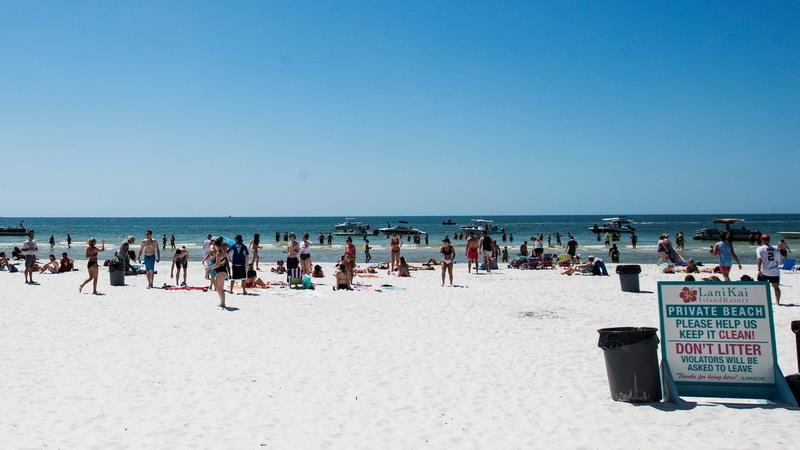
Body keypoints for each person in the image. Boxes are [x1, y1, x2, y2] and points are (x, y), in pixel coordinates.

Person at [756, 235, 782, 305]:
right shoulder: (775, 249)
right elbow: (779, 261)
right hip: (774, 271)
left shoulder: (760, 249)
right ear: (769, 240)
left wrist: (759, 270)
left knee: (760, 287)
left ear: (762, 240)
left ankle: (762, 301)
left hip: (764, 271)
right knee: (776, 287)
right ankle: (777, 302)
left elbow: (759, 260)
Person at [209, 237, 229, 308]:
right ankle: (222, 303)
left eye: (214, 245)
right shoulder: (223, 252)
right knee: (219, 288)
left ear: (216, 245)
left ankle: (222, 303)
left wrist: (209, 268)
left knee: (219, 288)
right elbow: (222, 262)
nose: (214, 246)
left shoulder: (218, 253)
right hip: (223, 271)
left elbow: (217, 265)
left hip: (220, 272)